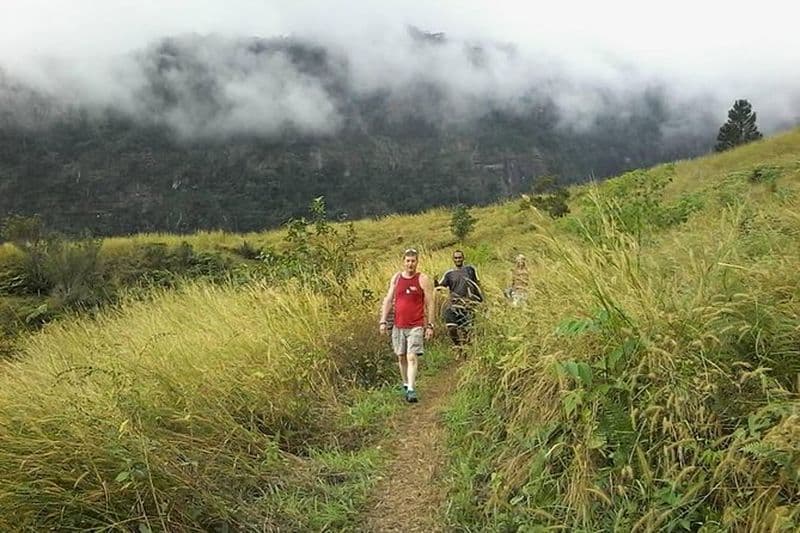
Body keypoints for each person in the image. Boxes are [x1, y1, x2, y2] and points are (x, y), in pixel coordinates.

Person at [378, 248, 435, 403]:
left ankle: (411, 388)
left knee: (411, 356)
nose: (410, 264)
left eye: (413, 261)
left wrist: (430, 325)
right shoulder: (396, 278)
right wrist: (383, 320)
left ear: (417, 262)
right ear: (403, 261)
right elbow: (389, 300)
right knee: (401, 356)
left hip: (416, 325)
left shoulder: (423, 279)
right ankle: (405, 384)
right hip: (398, 325)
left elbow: (430, 303)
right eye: (408, 261)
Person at [436, 249, 483, 358]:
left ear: (463, 258)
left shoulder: (470, 270)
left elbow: (477, 285)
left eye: (459, 257)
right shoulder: (449, 274)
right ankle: (458, 346)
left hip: (468, 305)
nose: (458, 259)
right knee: (451, 328)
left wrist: (481, 300)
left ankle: (466, 352)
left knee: (467, 331)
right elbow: (440, 287)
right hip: (454, 305)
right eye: (456, 258)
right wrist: (435, 283)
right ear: (453, 259)